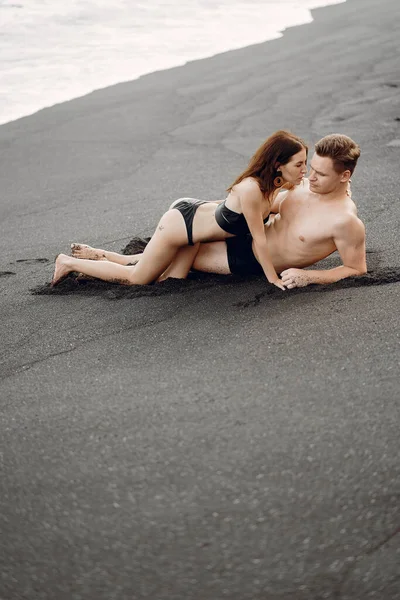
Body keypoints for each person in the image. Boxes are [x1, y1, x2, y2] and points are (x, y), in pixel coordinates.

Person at [58, 134, 367, 289]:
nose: (309, 177)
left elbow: (356, 270)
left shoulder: (345, 222)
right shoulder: (299, 189)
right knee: (156, 271)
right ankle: (100, 260)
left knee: (167, 268)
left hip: (240, 260)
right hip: (238, 238)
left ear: (344, 177)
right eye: (309, 168)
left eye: (320, 175)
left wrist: (309, 276)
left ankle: (106, 257)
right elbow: (252, 204)